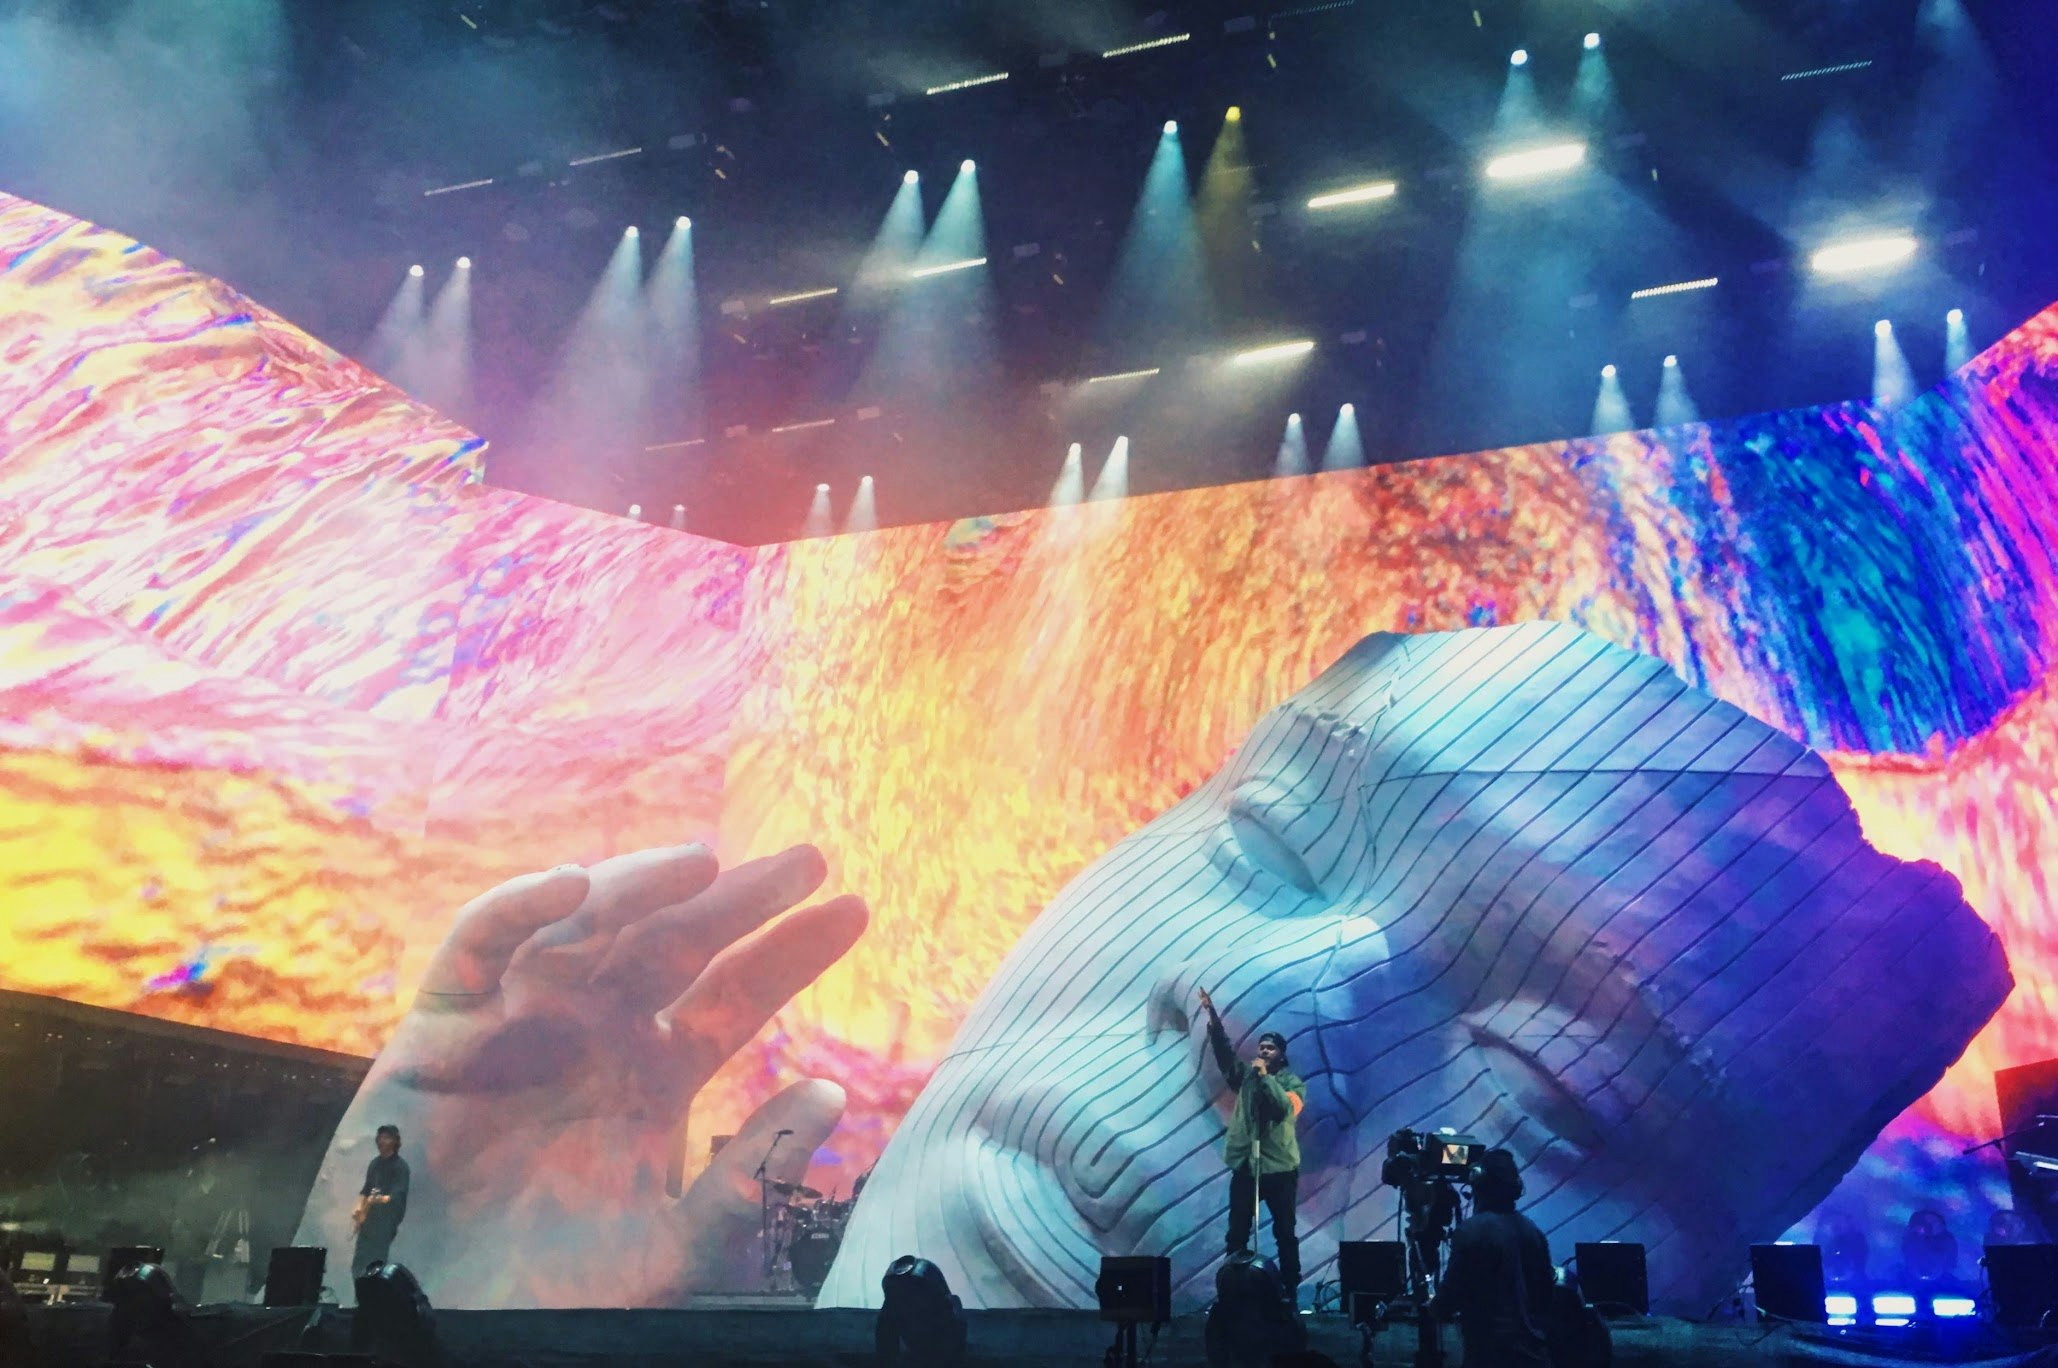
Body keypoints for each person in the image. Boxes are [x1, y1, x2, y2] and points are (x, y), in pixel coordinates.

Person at [1199, 987, 1305, 1302]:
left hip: (1280, 1169)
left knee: (1285, 1233)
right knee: (1237, 1233)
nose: (1263, 1051)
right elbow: (1225, 1056)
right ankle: (1233, 1292)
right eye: (1261, 1047)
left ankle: (1290, 1291)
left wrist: (1264, 1077)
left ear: (1281, 1055)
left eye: (1270, 1048)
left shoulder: (1293, 1084)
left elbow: (1280, 1109)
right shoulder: (1247, 1077)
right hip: (1247, 1166)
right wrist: (1214, 1019)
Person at [1430, 1149, 1555, 1368]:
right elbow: (1545, 1296)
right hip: (1534, 1355)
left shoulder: (1471, 1231)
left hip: (1488, 1355)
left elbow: (1446, 1301)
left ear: (1478, 1181)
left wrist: (1431, 1307)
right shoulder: (1533, 1232)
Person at [353, 1125, 411, 1274]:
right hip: (369, 1222)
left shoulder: (401, 1167)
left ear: (394, 1141)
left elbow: (398, 1195)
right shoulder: (374, 1164)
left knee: (375, 1265)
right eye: (379, 1137)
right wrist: (359, 1209)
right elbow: (366, 1190)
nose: (380, 1141)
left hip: (385, 1223)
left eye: (385, 1137)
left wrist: (380, 1199)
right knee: (358, 1264)